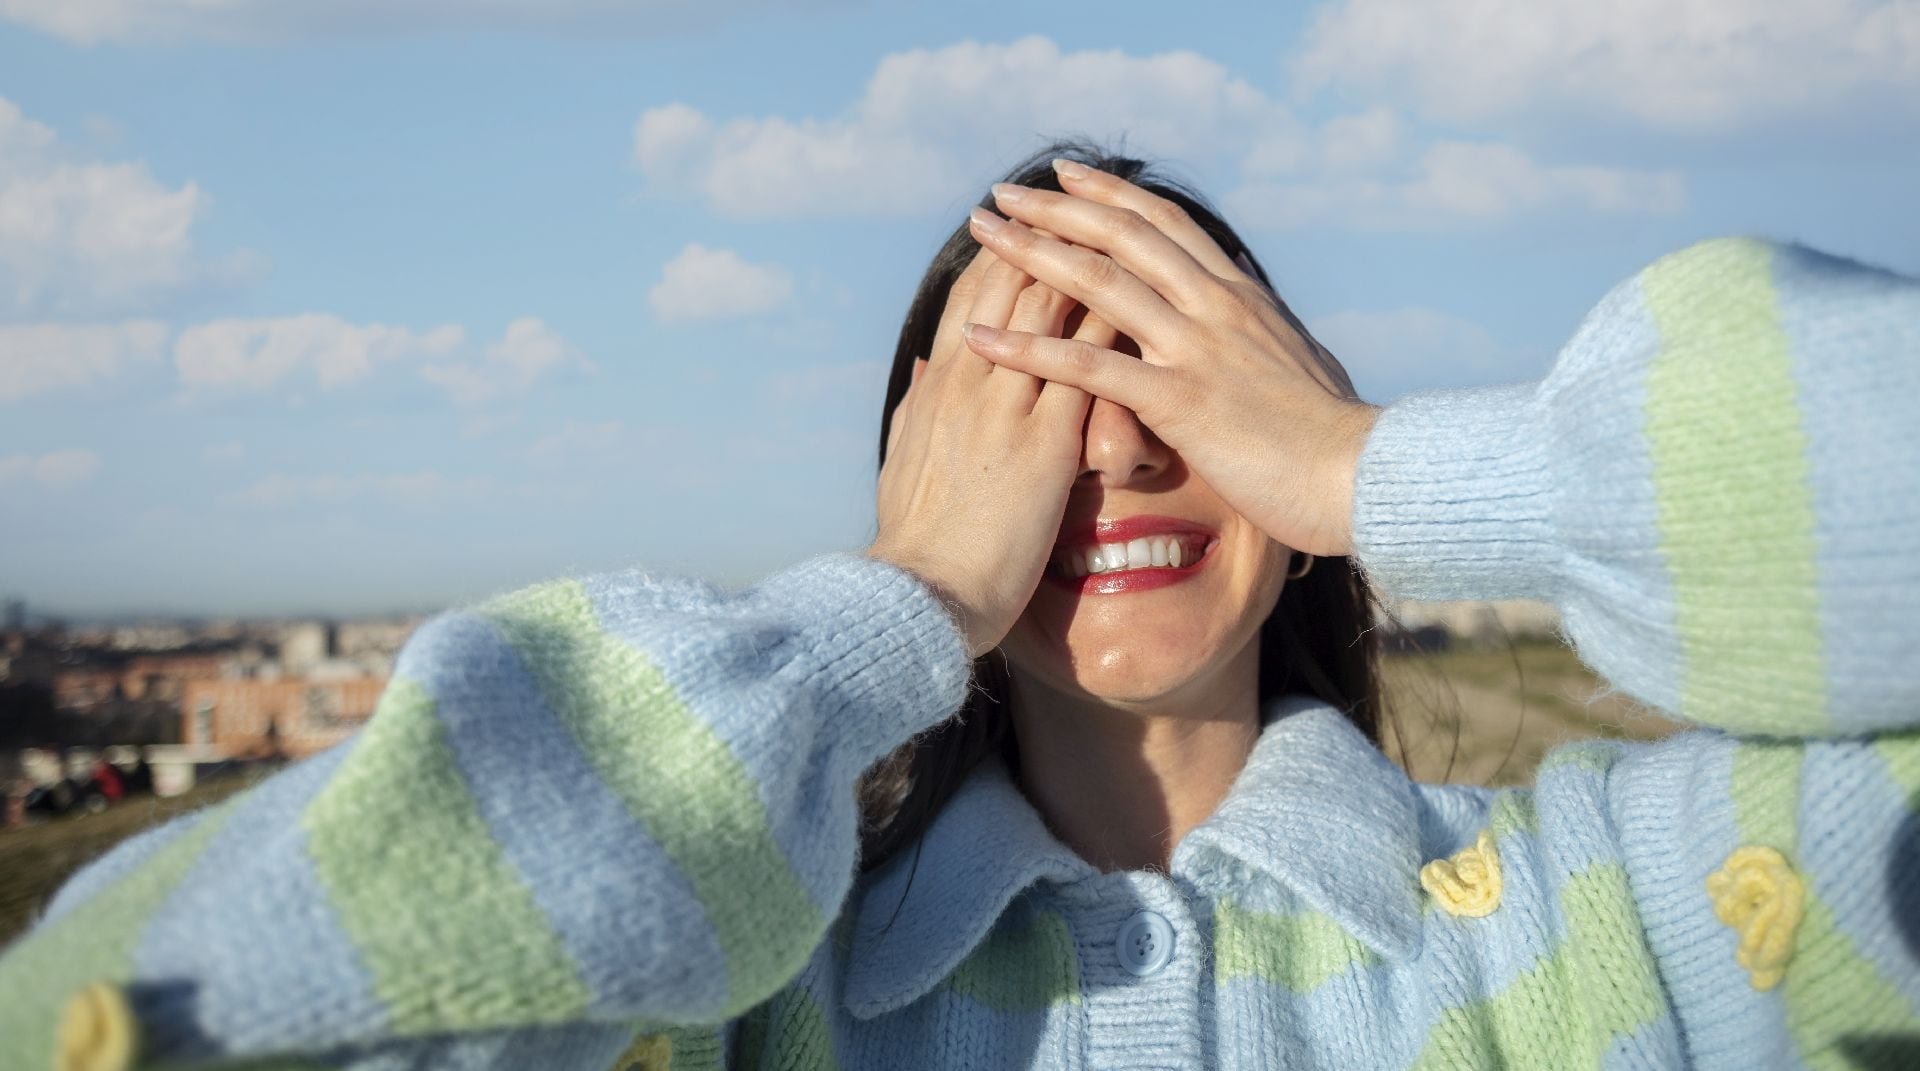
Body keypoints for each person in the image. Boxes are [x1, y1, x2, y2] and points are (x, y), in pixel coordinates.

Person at [1, 143, 1915, 1071]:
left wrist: (1376, 471)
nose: (1121, 458)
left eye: (1180, 382)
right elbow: (132, 1019)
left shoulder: (1645, 919)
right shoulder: (758, 1007)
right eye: (1033, 413)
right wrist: (897, 604)